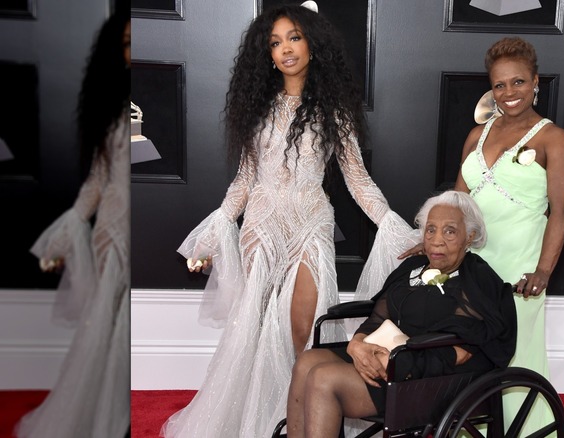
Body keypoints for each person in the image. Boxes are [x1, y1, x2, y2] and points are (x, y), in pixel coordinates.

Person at [160, 3, 405, 437]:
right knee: (254, 330)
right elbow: (244, 179)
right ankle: (256, 421)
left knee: (303, 328)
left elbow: (357, 178)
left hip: (310, 224)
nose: (286, 49)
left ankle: (306, 419)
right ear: (268, 55)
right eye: (275, 43)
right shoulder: (257, 108)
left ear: (313, 44)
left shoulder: (334, 111)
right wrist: (214, 233)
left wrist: (391, 224)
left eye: (294, 37)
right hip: (261, 224)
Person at [401, 36, 564, 435]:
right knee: (469, 352)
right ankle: (467, 427)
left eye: (518, 82)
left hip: (520, 267)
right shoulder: (476, 135)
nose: (509, 92)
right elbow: (456, 206)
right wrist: (431, 245)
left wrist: (544, 271)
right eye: (499, 84)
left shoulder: (553, 139)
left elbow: (562, 211)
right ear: (491, 89)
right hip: (472, 264)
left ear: (535, 82)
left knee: (515, 355)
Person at [285, 190, 517, 437]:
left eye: (449, 231)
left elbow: (462, 350)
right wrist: (357, 344)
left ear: (469, 236)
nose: (437, 240)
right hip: (395, 356)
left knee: (323, 378)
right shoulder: (412, 268)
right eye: (430, 230)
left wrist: (399, 363)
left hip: (430, 375)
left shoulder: (477, 278)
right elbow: (378, 317)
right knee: (306, 362)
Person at [14, 8, 131, 438]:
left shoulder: (141, 108)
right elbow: (98, 182)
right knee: (107, 333)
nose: (133, 51)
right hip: (113, 233)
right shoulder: (111, 114)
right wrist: (65, 237)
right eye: (126, 44)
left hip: (139, 231)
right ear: (115, 53)